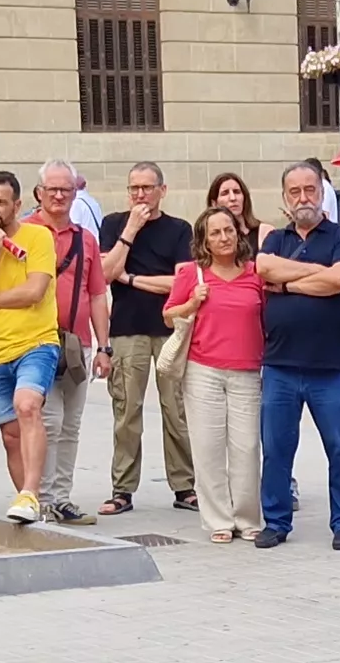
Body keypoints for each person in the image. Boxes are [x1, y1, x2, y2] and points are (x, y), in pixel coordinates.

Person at [251, 160, 340, 550]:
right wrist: (313, 274)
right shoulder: (275, 241)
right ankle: (277, 521)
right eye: (295, 191)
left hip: (329, 367)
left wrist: (286, 284)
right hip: (280, 365)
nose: (303, 198)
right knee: (278, 450)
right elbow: (263, 267)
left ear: (323, 193)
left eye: (310, 190)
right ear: (285, 198)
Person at [96, 162, 198, 517]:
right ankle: (122, 489)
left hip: (171, 329)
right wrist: (131, 229)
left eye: (147, 188)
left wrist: (134, 278)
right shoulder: (112, 224)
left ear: (162, 191)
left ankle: (184, 486)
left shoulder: (179, 230)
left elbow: (181, 283)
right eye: (134, 188)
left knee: (177, 411)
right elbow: (106, 274)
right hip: (127, 329)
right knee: (127, 412)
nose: (140, 195)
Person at [0, 172, 61, 524]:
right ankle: (29, 506)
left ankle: (32, 493)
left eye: (1, 202)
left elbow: (34, 291)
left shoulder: (39, 236)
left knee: (28, 405)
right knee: (10, 435)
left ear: (17, 205)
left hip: (37, 342)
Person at [168, 206, 272, 542]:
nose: (224, 238)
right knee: (207, 447)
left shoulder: (256, 273)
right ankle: (217, 520)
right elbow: (169, 315)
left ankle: (247, 517)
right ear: (204, 241)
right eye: (215, 233)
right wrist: (191, 304)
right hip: (203, 370)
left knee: (246, 446)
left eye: (228, 230)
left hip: (247, 371)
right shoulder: (191, 274)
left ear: (238, 233)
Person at [24, 161, 108, 524]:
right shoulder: (24, 232)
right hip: (35, 341)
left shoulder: (85, 238)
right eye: (52, 189)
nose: (59, 196)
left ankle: (61, 497)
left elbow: (97, 293)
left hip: (75, 343)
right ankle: (40, 498)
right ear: (39, 192)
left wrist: (104, 346)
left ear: (76, 194)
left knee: (70, 424)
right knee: (50, 420)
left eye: (66, 190)